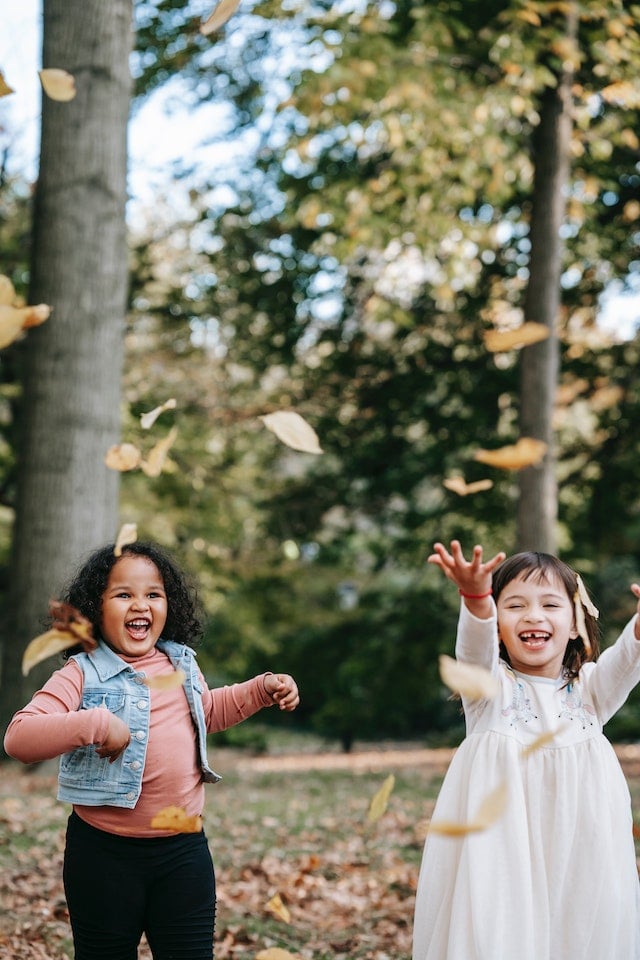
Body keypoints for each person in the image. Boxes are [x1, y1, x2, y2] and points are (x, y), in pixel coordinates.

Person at [4, 540, 300, 960]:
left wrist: (261, 689)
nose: (139, 605)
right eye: (123, 594)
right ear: (94, 608)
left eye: (153, 594)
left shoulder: (181, 665)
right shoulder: (81, 674)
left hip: (183, 851)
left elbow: (207, 712)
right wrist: (97, 723)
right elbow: (19, 737)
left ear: (169, 605)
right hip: (103, 855)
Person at [412, 539, 640, 960]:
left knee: (578, 928)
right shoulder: (488, 690)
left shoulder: (592, 691)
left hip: (581, 853)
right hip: (503, 853)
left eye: (551, 605)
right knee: (500, 931)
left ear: (575, 623)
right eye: (515, 606)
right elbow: (473, 649)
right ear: (498, 623)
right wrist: (476, 598)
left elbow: (626, 659)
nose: (533, 615)